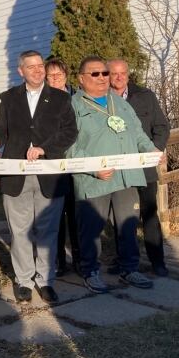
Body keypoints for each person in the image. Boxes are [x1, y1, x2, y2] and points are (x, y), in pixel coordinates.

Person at [0, 50, 77, 305]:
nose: (37, 70)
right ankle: (24, 281)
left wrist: (45, 148)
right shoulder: (10, 98)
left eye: (40, 66)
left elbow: (70, 132)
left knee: (47, 230)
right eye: (31, 66)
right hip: (16, 175)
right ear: (20, 71)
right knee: (20, 230)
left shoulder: (60, 98)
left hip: (49, 175)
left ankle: (45, 281)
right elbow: (1, 127)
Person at [67, 56, 165, 293]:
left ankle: (129, 269)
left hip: (126, 176)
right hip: (95, 180)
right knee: (91, 229)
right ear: (81, 79)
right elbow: (68, 146)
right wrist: (94, 168)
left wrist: (151, 150)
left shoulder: (120, 103)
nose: (102, 78)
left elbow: (138, 133)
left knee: (128, 225)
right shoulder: (73, 106)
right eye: (95, 74)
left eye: (104, 73)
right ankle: (91, 271)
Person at [108, 58, 171, 277]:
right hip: (119, 171)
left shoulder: (145, 96)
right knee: (122, 218)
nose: (118, 77)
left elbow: (161, 126)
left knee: (149, 215)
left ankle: (157, 261)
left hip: (144, 170)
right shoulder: (101, 100)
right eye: (114, 73)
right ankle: (124, 260)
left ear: (128, 74)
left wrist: (157, 149)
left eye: (122, 73)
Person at [45, 57, 80, 276]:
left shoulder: (78, 98)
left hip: (76, 164)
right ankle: (58, 261)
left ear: (66, 76)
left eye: (59, 74)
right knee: (55, 216)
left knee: (76, 215)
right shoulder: (43, 101)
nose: (55, 79)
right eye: (51, 75)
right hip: (54, 165)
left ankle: (79, 259)